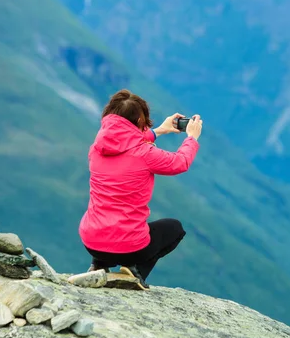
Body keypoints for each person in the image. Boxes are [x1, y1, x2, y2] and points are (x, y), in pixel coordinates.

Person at [78, 88, 202, 289]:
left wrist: (159, 130)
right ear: (138, 122)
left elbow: (125, 143)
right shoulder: (145, 154)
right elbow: (180, 162)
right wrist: (192, 138)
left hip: (91, 241)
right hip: (128, 247)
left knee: (108, 221)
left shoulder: (97, 149)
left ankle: (99, 265)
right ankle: (134, 273)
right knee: (174, 228)